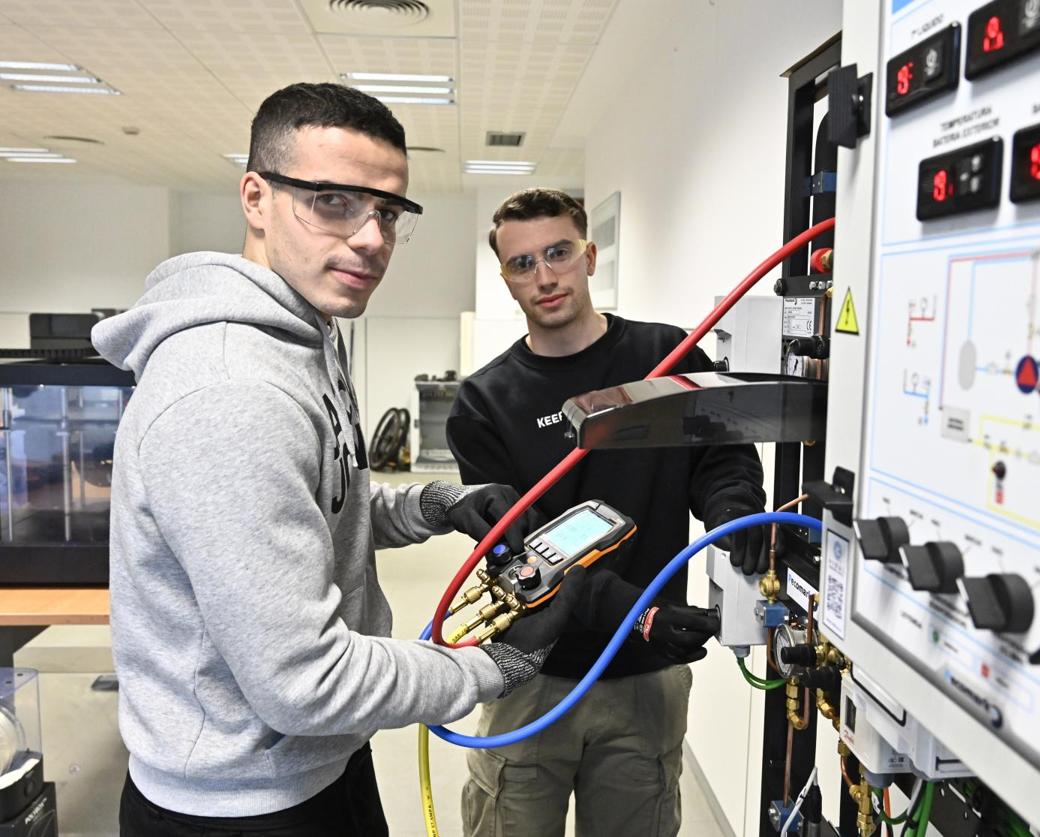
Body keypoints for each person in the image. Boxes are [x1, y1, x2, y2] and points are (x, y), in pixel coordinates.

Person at [92, 84, 584, 836]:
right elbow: (304, 679)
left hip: (315, 766)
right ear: (256, 197)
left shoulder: (307, 333)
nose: (370, 238)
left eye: (387, 212)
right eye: (331, 202)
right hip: (242, 803)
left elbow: (315, 504)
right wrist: (494, 668)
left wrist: (431, 505)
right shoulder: (230, 388)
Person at [447, 188, 769, 837]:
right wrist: (637, 612)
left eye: (558, 253)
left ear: (589, 256)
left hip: (642, 686)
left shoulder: (667, 358)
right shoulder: (484, 401)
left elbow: (720, 456)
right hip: (532, 673)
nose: (544, 275)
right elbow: (521, 551)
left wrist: (734, 509)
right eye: (522, 263)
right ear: (506, 278)